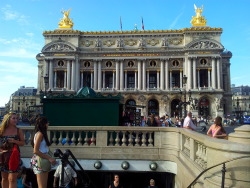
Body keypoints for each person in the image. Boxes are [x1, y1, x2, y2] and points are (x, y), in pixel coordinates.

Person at [0, 112, 25, 188]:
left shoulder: (18, 130)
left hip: (14, 156)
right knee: (4, 178)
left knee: (12, 179)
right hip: (3, 157)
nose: (15, 120)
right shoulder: (1, 130)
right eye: (13, 118)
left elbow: (22, 143)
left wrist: (14, 141)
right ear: (8, 119)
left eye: (16, 118)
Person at [30, 117, 56, 188]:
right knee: (42, 186)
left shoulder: (40, 133)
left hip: (42, 160)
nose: (48, 124)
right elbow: (35, 150)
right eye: (47, 123)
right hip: (40, 160)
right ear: (44, 124)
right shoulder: (40, 134)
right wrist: (49, 158)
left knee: (43, 185)